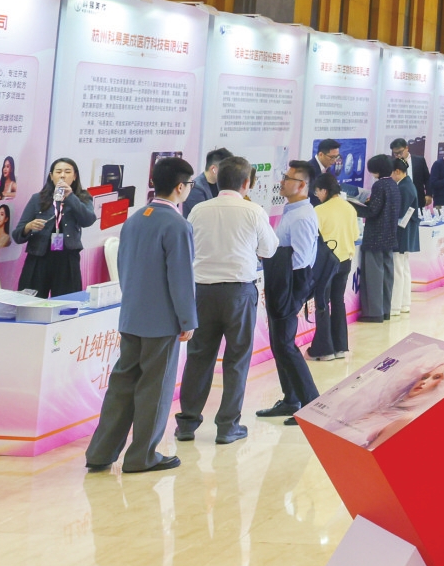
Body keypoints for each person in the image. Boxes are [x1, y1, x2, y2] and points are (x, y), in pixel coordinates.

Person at [85, 156, 196, 474]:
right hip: (162, 320)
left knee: (122, 385)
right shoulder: (177, 224)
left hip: (132, 316)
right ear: (180, 187)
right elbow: (181, 277)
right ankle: (142, 456)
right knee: (155, 389)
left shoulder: (134, 220)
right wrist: (187, 320)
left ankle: (100, 452)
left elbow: (123, 267)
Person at [176, 156, 277, 445]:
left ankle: (187, 424)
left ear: (217, 180)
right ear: (246, 183)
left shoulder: (198, 210)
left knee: (198, 357)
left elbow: (189, 247)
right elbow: (269, 250)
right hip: (238, 293)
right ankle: (227, 426)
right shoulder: (253, 211)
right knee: (236, 360)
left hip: (202, 292)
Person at [256, 162, 319, 424]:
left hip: (291, 282)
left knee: (285, 344)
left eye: (288, 178)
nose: (282, 181)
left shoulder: (302, 215)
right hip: (283, 280)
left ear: (302, 185)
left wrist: (275, 264)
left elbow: (301, 259)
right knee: (279, 344)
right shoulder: (292, 209)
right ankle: (291, 399)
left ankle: (310, 403)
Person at [15, 157, 96, 297]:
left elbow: (88, 220)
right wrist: (28, 227)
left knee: (67, 303)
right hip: (38, 257)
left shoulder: (82, 198)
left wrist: (70, 197)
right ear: (51, 176)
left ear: (75, 176)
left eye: (67, 172)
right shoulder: (37, 199)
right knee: (29, 302)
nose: (62, 175)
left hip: (67, 259)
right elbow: (17, 235)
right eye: (58, 172)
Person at [307, 172, 357, 362]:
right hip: (345, 260)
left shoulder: (319, 211)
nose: (317, 195)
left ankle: (323, 350)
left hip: (326, 264)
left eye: (317, 191)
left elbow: (313, 239)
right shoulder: (349, 208)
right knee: (338, 302)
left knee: (322, 303)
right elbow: (355, 234)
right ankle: (341, 347)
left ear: (324, 190)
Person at [359, 153, 403, 322]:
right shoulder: (393, 184)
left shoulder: (379, 185)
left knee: (374, 275)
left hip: (376, 236)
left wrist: (354, 206)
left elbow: (373, 211)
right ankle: (385, 310)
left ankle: (374, 313)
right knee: (387, 275)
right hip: (390, 235)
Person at [388, 155, 421, 316]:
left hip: (402, 233)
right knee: (403, 269)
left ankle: (395, 306)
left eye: (391, 173)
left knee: (398, 269)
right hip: (405, 232)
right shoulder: (407, 184)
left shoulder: (404, 187)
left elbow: (400, 212)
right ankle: (403, 303)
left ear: (397, 172)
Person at [182, 147, 232, 215]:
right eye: (226, 170)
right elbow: (204, 215)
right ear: (213, 169)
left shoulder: (220, 185)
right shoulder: (196, 188)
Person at [390, 139, 429, 210]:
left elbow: (427, 179)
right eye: (395, 153)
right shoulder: (392, 164)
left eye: (400, 152)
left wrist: (429, 194)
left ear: (407, 148)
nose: (398, 155)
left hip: (418, 197)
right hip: (400, 200)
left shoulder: (419, 160)